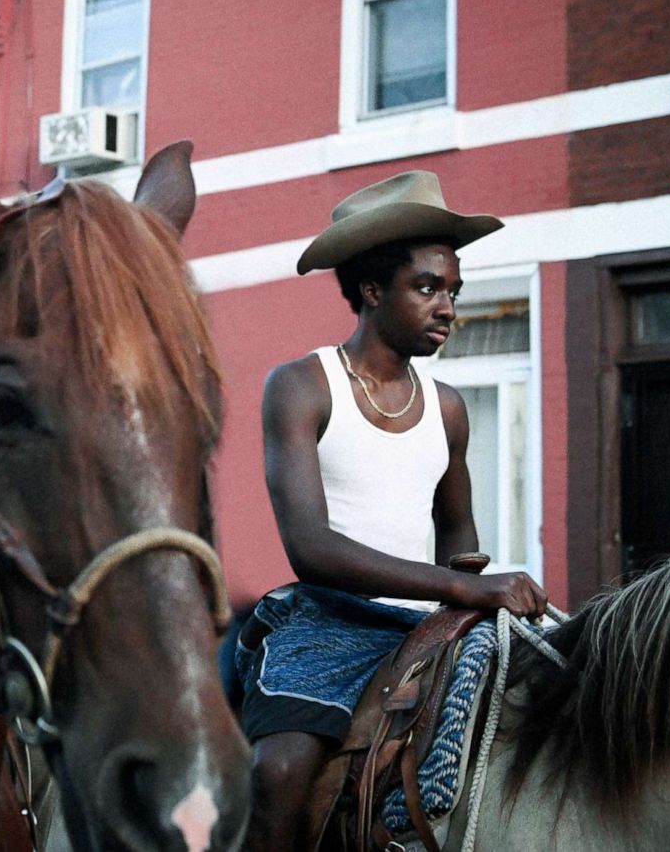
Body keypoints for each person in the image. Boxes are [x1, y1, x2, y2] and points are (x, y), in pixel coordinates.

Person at [235, 171, 549, 851]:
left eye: (453, 291)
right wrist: (463, 585)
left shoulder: (449, 407)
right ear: (373, 290)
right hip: (324, 623)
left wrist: (464, 599)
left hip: (425, 632)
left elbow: (457, 531)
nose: (448, 307)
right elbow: (310, 546)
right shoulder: (301, 385)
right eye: (428, 287)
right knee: (280, 770)